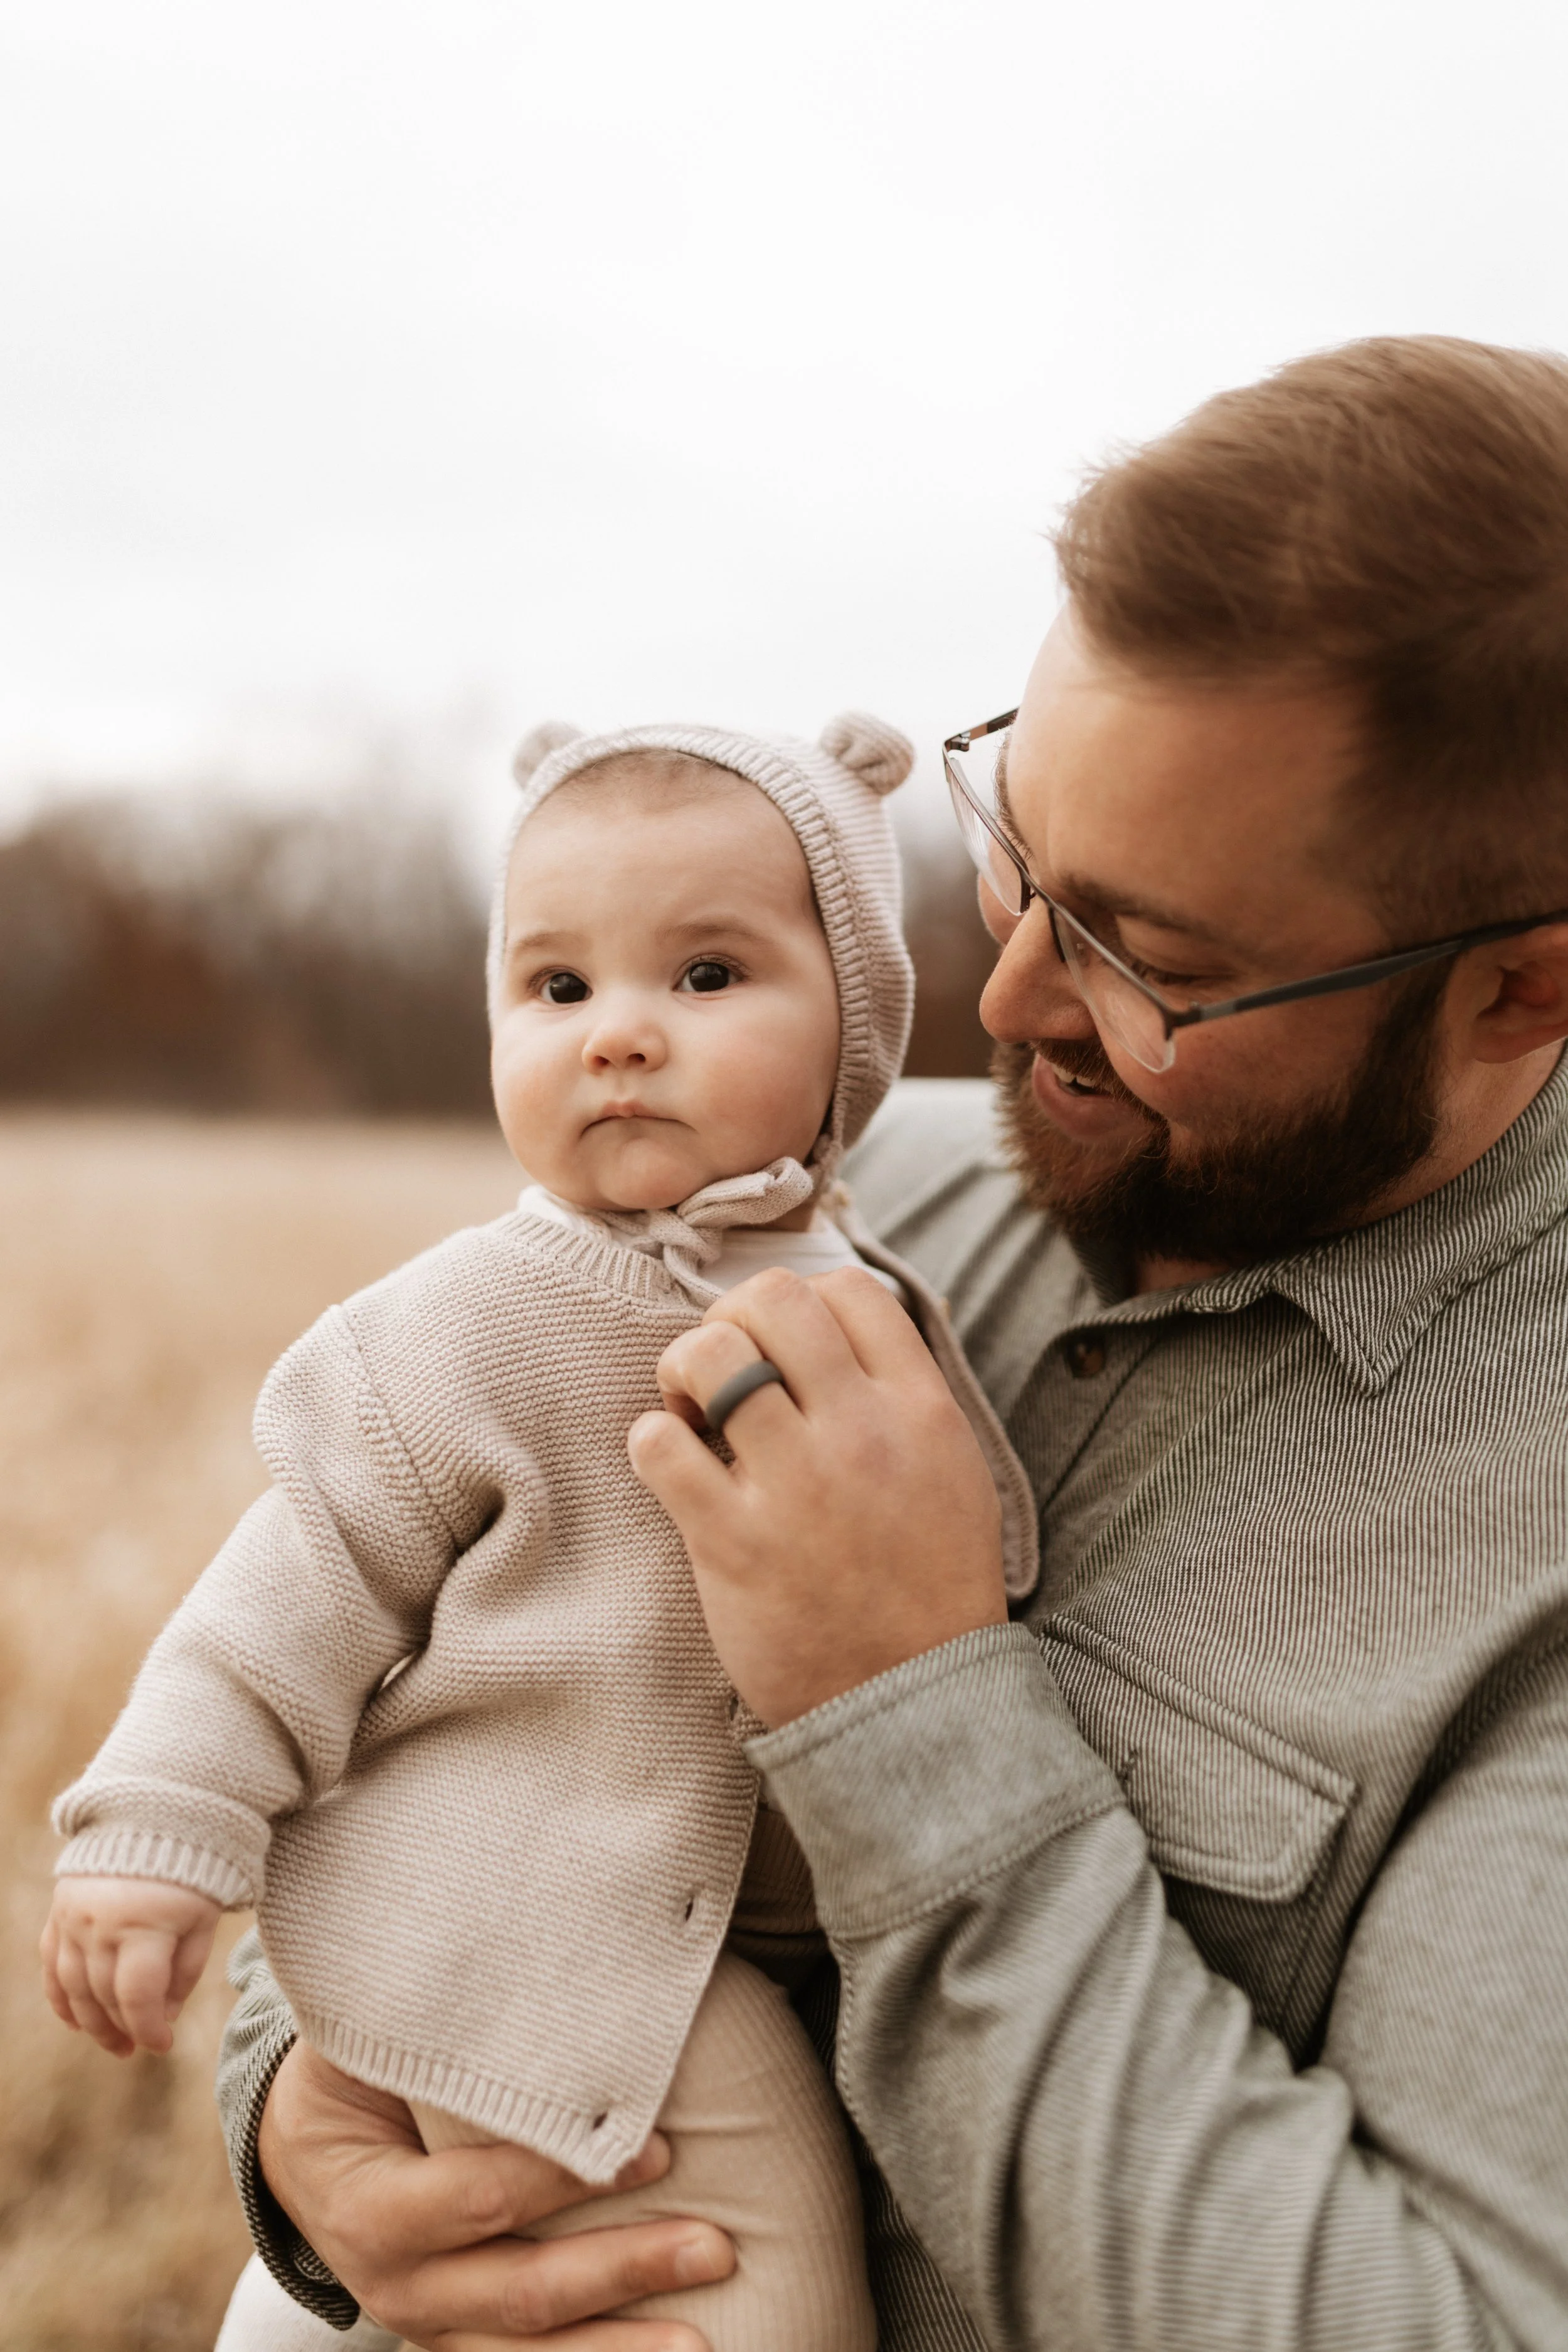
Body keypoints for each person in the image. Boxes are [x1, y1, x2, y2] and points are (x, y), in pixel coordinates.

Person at [216, 334, 1568, 2352]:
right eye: (1011, 844)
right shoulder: (854, 1197)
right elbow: (430, 1669)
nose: (1005, 992)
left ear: (1519, 988)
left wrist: (907, 1700)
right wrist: (299, 2133)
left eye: (1148, 960)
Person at [41, 712, 1036, 2352]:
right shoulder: (473, 1322)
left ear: (854, 1017)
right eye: (558, 988)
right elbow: (284, 1595)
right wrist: (152, 1834)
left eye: (705, 976)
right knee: (759, 2272)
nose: (620, 1036)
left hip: (715, 1917)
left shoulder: (863, 1286)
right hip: (547, 1910)